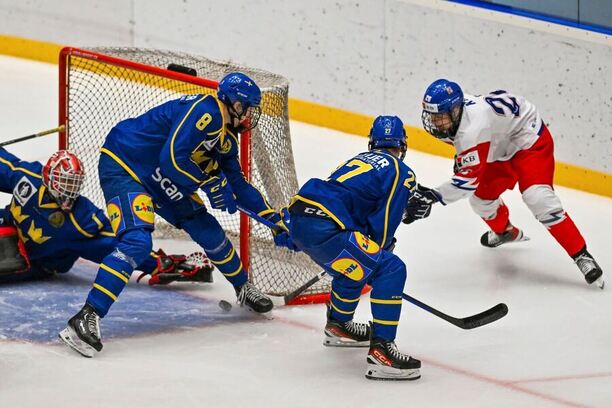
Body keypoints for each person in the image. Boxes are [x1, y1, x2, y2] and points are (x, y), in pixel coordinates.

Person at [59, 72, 293, 358]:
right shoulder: (205, 111)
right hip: (127, 163)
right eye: (249, 108)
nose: (250, 116)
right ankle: (86, 315)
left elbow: (240, 187)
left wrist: (273, 219)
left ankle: (243, 287)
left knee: (210, 233)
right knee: (136, 243)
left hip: (161, 177)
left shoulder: (227, 140)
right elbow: (171, 161)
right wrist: (210, 183)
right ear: (234, 103)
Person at [406, 79, 604, 289]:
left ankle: (581, 254)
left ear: (455, 111)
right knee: (481, 200)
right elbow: (469, 163)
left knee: (538, 198)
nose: (435, 123)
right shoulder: (459, 121)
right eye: (432, 116)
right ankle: (505, 232)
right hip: (498, 145)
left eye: (440, 117)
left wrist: (433, 196)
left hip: (528, 141)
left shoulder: (473, 129)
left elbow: (467, 182)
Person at [287, 116, 421, 381]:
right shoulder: (401, 170)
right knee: (391, 269)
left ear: (372, 143)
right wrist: (382, 250)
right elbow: (384, 222)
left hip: (303, 216)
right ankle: (382, 352)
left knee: (352, 268)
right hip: (328, 226)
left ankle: (339, 326)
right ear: (402, 145)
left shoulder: (359, 159)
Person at [0, 148, 210, 285]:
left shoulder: (80, 221)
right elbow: (6, 165)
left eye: (73, 185)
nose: (68, 191)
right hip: (7, 227)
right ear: (48, 178)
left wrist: (163, 263)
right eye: (64, 183)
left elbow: (115, 244)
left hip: (33, 259)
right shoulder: (28, 178)